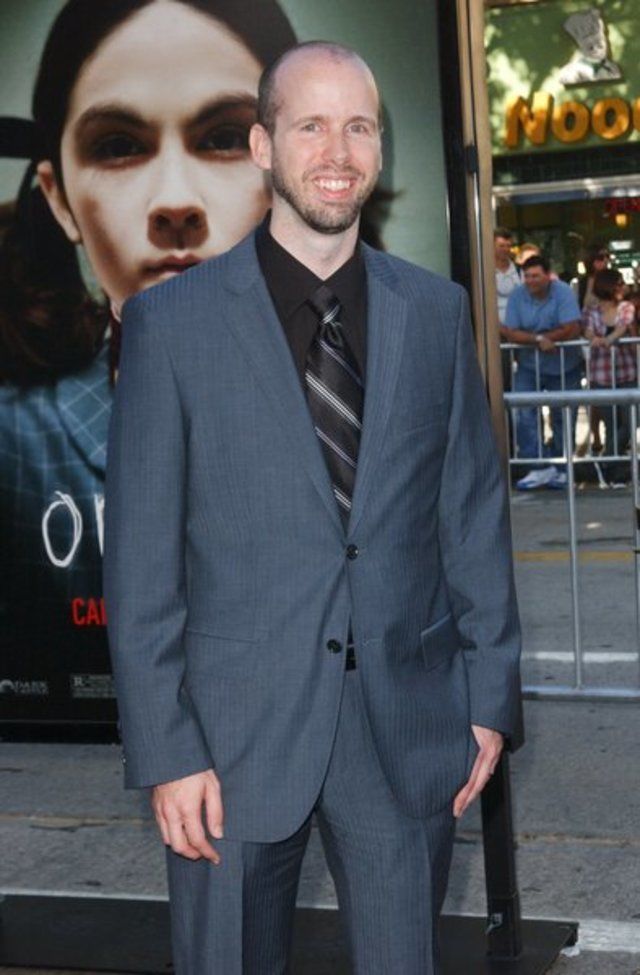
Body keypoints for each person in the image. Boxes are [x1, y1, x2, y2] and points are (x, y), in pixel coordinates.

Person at [104, 40, 522, 974]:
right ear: (262, 145)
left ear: (380, 148)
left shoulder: (435, 312)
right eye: (311, 126)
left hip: (405, 730)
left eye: (359, 127)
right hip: (228, 744)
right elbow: (140, 564)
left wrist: (489, 700)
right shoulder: (172, 325)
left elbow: (470, 514)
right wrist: (167, 750)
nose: (338, 151)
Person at [0, 0, 296, 715]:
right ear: (59, 199)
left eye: (224, 138)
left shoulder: (355, 399)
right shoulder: (15, 445)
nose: (174, 203)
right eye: (118, 146)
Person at [501, 254, 582, 490]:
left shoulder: (563, 292)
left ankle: (561, 467)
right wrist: (540, 340)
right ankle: (538, 466)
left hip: (565, 366)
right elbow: (510, 332)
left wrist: (546, 338)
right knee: (523, 413)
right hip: (529, 366)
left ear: (548, 276)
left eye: (535, 276)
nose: (530, 280)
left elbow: (572, 328)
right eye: (526, 276)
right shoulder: (517, 295)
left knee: (563, 416)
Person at [583, 268, 637, 486]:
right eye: (619, 283)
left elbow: (623, 326)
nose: (623, 286)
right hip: (601, 373)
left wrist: (607, 339)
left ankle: (605, 459)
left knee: (632, 420)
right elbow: (586, 330)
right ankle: (616, 472)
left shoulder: (626, 307)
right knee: (611, 424)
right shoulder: (591, 311)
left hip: (626, 372)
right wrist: (594, 338)